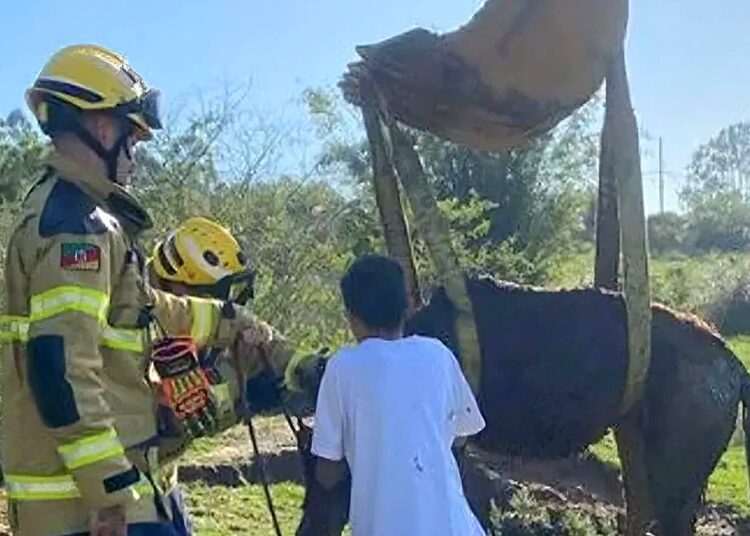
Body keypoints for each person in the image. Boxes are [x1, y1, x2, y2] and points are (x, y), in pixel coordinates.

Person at [0, 44, 280, 536]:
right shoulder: (76, 229)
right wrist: (109, 490)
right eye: (133, 139)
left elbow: (147, 309)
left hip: (101, 499)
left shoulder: (77, 216)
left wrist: (229, 321)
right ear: (103, 128)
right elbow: (60, 368)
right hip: (91, 513)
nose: (134, 157)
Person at [311, 254, 487, 536]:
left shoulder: (342, 368)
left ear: (351, 316)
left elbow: (327, 472)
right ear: (407, 308)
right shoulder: (438, 355)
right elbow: (461, 436)